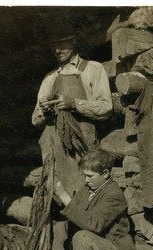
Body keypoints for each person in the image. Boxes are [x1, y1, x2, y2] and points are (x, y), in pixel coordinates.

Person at [31, 33, 113, 194]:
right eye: (53, 45)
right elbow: (35, 119)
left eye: (62, 44)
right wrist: (44, 111)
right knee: (57, 190)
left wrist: (74, 103)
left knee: (85, 189)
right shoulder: (50, 78)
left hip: (82, 144)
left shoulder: (93, 69)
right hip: (54, 144)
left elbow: (106, 108)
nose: (57, 50)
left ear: (74, 42)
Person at [54, 148, 136, 250]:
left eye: (90, 176)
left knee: (83, 237)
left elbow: (93, 224)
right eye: (83, 176)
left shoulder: (113, 194)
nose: (85, 180)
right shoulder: (88, 190)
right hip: (96, 249)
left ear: (105, 173)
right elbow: (73, 211)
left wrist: (64, 195)